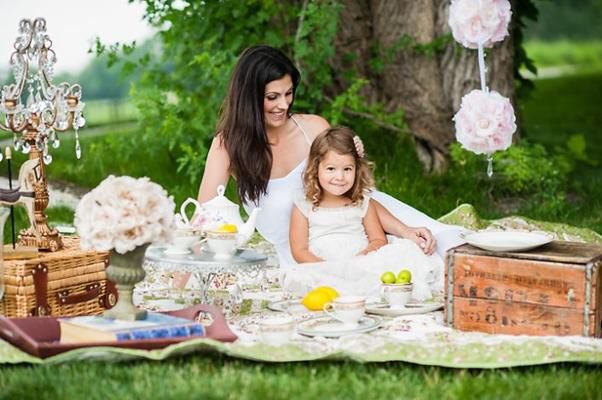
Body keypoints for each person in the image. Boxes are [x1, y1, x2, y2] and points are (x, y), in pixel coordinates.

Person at [173, 45, 464, 288]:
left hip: (364, 228)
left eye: (288, 94)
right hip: (309, 259)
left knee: (445, 248)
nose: (283, 105)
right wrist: (178, 283)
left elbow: (358, 197)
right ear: (249, 97)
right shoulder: (228, 147)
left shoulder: (312, 128)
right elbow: (202, 220)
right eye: (272, 97)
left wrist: (405, 229)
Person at [284, 127, 440, 299]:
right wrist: (327, 268)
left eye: (347, 169)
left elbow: (378, 239)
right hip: (321, 265)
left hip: (361, 262)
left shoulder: (361, 202)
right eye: (331, 169)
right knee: (303, 279)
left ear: (356, 169)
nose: (340, 177)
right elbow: (299, 250)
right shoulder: (303, 204)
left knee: (402, 253)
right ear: (316, 168)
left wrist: (361, 259)